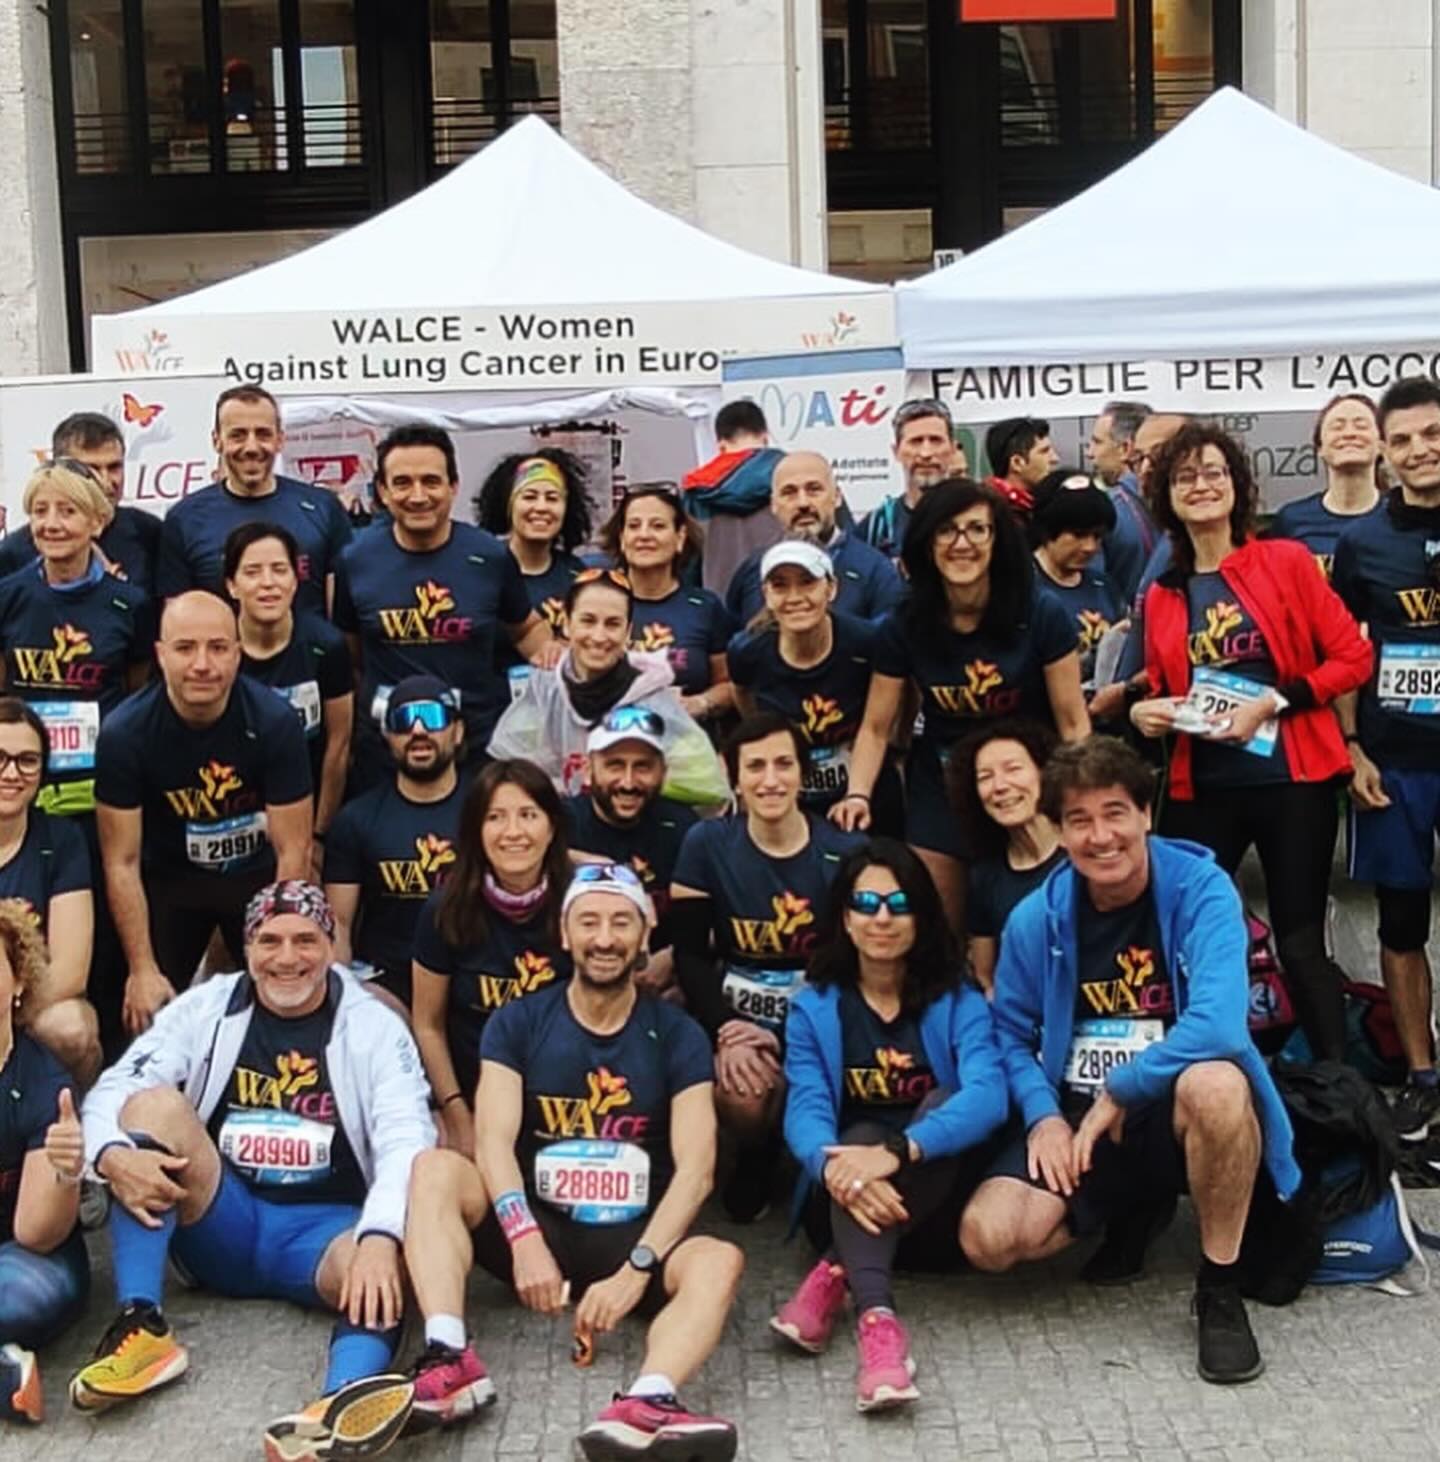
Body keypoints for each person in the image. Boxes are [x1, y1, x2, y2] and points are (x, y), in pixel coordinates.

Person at [959, 737, 1299, 1386]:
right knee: (989, 1239)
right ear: (1059, 832)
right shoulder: (1035, 918)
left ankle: (1218, 1288)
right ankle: (1131, 1205)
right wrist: (1042, 1117)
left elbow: (1221, 1024)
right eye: (1079, 820)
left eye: (1115, 812)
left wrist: (1124, 1088)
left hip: (1171, 1103)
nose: (1100, 836)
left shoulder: (1203, 889)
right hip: (1078, 1111)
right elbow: (1009, 1034)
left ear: (1146, 813)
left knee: (1218, 1085)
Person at [72, 881, 433, 1460]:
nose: (287, 958)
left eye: (305, 940)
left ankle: (338, 1405)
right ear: (246, 947)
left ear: (331, 944)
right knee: (151, 1106)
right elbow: (114, 1089)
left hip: (326, 1235)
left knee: (402, 1252)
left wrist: (380, 1237)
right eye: (269, 941)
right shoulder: (208, 1004)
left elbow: (406, 1140)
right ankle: (142, 1326)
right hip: (226, 1219)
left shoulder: (373, 1024)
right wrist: (112, 1158)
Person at [402, 863, 743, 1458]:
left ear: (645, 933)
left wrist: (636, 1270)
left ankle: (649, 1400)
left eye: (620, 923)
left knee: (721, 1260)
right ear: (564, 933)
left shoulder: (680, 1033)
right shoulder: (518, 1021)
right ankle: (449, 1356)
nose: (604, 938)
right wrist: (523, 1238)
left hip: (632, 1237)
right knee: (435, 1170)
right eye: (589, 922)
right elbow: (493, 1142)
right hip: (537, 1227)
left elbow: (697, 1171)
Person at [1129, 423, 1371, 1063]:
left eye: (1214, 472)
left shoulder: (1285, 562)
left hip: (1293, 782)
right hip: (1202, 786)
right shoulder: (1163, 594)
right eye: (1185, 477)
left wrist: (1273, 702)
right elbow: (1161, 688)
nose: (1202, 486)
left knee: (1298, 941)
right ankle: (1201, 1072)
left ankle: (1338, 1086)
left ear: (1237, 485)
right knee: (1182, 931)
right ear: (1166, 497)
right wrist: (1146, 711)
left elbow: (1352, 658)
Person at [773, 840, 1005, 1412]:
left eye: (899, 904)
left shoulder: (958, 998)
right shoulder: (814, 1006)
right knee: (852, 1141)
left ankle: (834, 1272)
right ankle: (880, 1333)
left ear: (921, 916)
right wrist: (835, 1168)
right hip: (843, 1197)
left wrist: (900, 1151)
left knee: (944, 1102)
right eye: (866, 903)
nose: (882, 917)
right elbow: (805, 1111)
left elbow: (988, 1096)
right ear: (844, 918)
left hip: (937, 1204)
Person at [836, 479, 1088, 932]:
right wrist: (857, 794)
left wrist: (1080, 800)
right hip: (943, 786)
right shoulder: (904, 623)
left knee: (1038, 924)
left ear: (997, 540)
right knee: (939, 926)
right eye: (947, 530)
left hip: (1029, 784)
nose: (962, 543)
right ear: (927, 542)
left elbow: (1072, 722)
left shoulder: (1041, 612)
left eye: (977, 529)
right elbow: (876, 726)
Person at [670, 713, 863, 1221]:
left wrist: (798, 1029)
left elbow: (859, 961)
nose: (770, 780)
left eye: (783, 765)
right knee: (742, 1092)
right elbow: (689, 953)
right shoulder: (706, 844)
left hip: (821, 1013)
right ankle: (755, 1154)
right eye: (755, 767)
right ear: (733, 776)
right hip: (738, 1015)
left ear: (803, 773)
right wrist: (726, 1030)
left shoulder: (845, 852)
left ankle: (813, 1149)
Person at [95, 591, 313, 1035]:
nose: (202, 664)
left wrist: (278, 950)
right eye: (185, 648)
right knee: (147, 1016)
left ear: (237, 654)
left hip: (255, 877)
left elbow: (294, 851)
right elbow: (121, 862)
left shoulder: (275, 722)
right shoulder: (124, 733)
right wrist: (142, 968)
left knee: (286, 1000)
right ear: (160, 655)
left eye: (217, 648)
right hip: (170, 880)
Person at [1332, 376, 1440, 1135]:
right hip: (1395, 762)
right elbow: (1345, 654)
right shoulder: (1362, 543)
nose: (1418, 450)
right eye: (1401, 440)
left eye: (1431, 434)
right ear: (1383, 452)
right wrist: (1351, 747)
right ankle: (1422, 1073)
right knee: (1401, 924)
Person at [333, 424, 553, 787]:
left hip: (476, 751)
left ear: (454, 486)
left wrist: (555, 657)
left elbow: (526, 628)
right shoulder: (355, 561)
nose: (418, 496)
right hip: (388, 755)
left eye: (431, 481)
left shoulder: (490, 556)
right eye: (402, 483)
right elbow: (352, 657)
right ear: (383, 492)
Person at [411, 760, 572, 1157]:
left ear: (552, 827)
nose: (513, 832)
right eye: (495, 817)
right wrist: (456, 1113)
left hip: (563, 1099)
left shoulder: (582, 903)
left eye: (528, 815)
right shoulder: (443, 910)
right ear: (476, 830)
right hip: (471, 1095)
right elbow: (428, 1025)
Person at [489, 569, 726, 804]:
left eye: (612, 624)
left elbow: (706, 786)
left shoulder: (652, 695)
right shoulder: (546, 687)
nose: (599, 636)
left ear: (628, 631)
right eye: (588, 621)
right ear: (567, 624)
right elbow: (512, 766)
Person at [0, 461, 153, 819]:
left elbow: (135, 695)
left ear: (96, 522)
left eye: (67, 511)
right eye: (40, 511)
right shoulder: (7, 597)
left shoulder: (130, 605)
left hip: (103, 787)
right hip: (22, 786)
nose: (51, 524)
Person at [727, 539, 901, 833]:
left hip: (866, 786)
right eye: (780, 586)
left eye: (807, 582)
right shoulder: (746, 651)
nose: (795, 597)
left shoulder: (868, 642)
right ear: (766, 595)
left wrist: (857, 796)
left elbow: (876, 728)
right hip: (791, 795)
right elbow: (746, 705)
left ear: (831, 589)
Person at [0, 898, 90, 1425]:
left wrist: (64, 1169)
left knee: (24, 1297)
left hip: (25, 1258)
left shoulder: (43, 1081)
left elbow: (37, 1232)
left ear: (18, 982)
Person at [324, 676, 465, 1007]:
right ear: (388, 736)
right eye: (403, 720)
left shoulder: (487, 811)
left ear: (457, 732)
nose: (418, 730)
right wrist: (340, 1000)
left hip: (467, 973)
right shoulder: (355, 819)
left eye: (431, 717)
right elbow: (339, 924)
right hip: (387, 979)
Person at [156, 385, 353, 617]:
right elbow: (177, 621)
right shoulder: (184, 519)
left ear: (280, 439)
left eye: (263, 434)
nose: (251, 447)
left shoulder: (324, 508)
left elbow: (343, 614)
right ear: (217, 441)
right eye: (238, 435)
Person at [224, 523, 353, 850]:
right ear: (232, 585)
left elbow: (339, 745)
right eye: (252, 572)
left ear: (296, 581)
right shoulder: (215, 650)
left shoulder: (326, 645)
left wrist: (318, 836)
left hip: (307, 813)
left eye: (280, 570)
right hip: (233, 819)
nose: (268, 582)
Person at [564, 706, 699, 996]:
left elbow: (715, 920)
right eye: (614, 766)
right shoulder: (561, 822)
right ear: (588, 770)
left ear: (663, 772)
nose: (628, 783)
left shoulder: (685, 827)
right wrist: (596, 865)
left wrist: (675, 958)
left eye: (642, 767)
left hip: (663, 986)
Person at [0, 703, 97, 1083]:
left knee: (71, 1026)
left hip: (29, 1005)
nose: (12, 773)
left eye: (27, 761)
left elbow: (71, 973)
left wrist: (5, 1015)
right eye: (0, 758)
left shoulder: (61, 839)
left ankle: (72, 1114)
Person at [599, 485, 735, 722]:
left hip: (686, 739)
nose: (644, 535)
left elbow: (729, 685)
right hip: (609, 737)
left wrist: (701, 703)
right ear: (622, 538)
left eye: (658, 526)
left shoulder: (705, 607)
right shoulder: (599, 602)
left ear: (680, 537)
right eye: (634, 526)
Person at [948, 720, 1063, 996]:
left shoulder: (1086, 851)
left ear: (1045, 773)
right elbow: (986, 977)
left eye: (1013, 769)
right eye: (984, 777)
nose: (999, 786)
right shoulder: (985, 875)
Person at [724, 453, 904, 625]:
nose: (803, 503)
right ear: (774, 505)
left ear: (837, 497)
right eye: (789, 492)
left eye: (814, 490)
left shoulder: (875, 570)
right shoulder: (753, 570)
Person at [0, 413, 161, 594]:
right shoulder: (13, 554)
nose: (106, 481)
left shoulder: (150, 533)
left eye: (114, 467)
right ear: (61, 471)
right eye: (92, 469)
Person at [474, 451, 591, 676]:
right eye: (529, 497)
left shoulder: (579, 576)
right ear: (508, 504)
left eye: (552, 498)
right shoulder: (482, 568)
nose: (541, 507)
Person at [1270, 393, 1385, 578]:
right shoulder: (1291, 520)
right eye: (1337, 427)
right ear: (1320, 448)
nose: (1349, 434)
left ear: (1382, 445)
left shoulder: (1402, 517)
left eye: (1361, 426)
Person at [1028, 470, 1126, 687]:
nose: (1090, 547)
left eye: (1097, 536)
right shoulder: (1023, 587)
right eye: (1078, 535)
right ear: (1047, 531)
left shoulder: (1104, 586)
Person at [682, 399, 785, 598]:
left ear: (721, 445)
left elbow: (689, 565)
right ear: (765, 438)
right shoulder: (791, 475)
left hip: (718, 601)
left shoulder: (696, 490)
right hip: (783, 597)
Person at [858, 399, 966, 561]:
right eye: (916, 441)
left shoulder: (978, 517)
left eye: (935, 440)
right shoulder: (876, 528)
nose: (926, 453)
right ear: (896, 451)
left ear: (952, 449)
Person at [1086, 401, 1159, 604]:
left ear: (1126, 448)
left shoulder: (1104, 510)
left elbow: (1093, 593)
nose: (1090, 453)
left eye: (1097, 442)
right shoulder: (1186, 503)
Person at [983, 417, 1058, 517]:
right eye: (1044, 451)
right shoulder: (990, 514)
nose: (1055, 459)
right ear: (1017, 463)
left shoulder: (1035, 507)